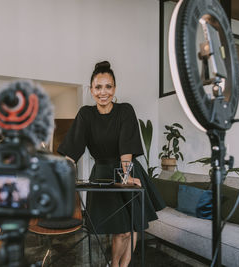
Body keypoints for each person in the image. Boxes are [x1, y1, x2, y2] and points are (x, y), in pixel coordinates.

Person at [57, 61, 165, 267]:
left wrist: (126, 176)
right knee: (121, 230)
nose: (103, 92)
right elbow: (72, 150)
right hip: (102, 175)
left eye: (108, 86)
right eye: (98, 87)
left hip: (127, 171)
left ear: (114, 89)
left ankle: (122, 266)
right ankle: (114, 264)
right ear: (91, 90)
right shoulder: (85, 115)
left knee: (133, 226)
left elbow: (126, 149)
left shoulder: (125, 111)